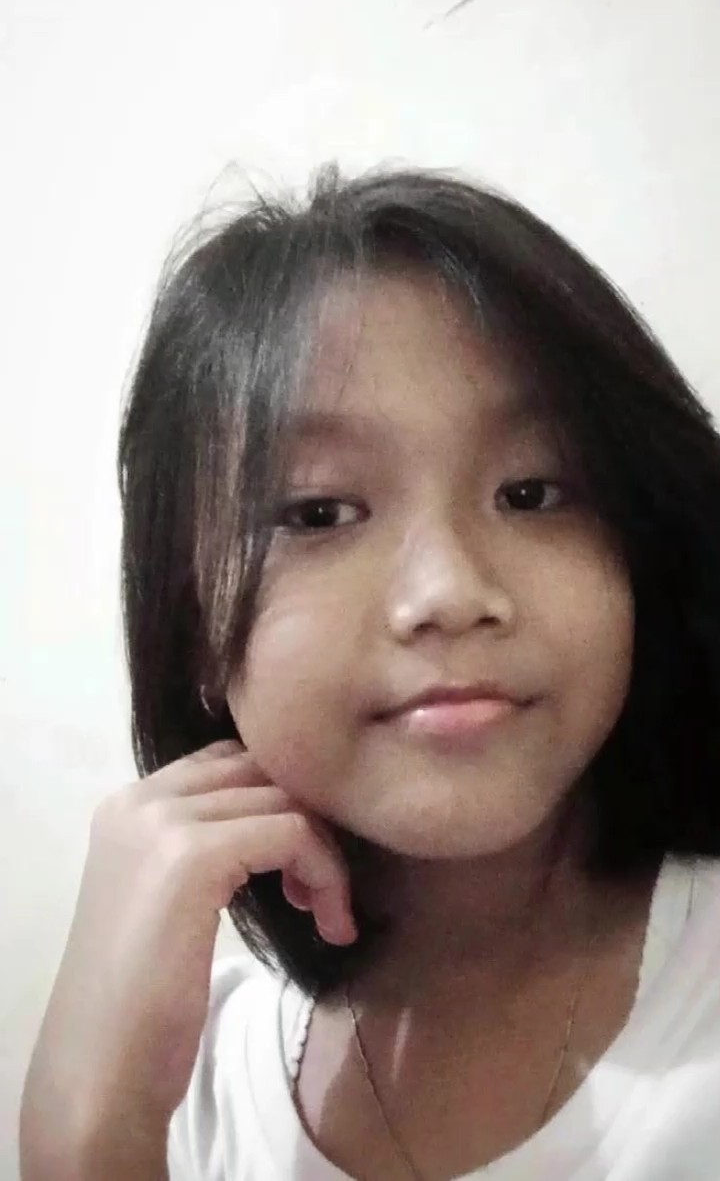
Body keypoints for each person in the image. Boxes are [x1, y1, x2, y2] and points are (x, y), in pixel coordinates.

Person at [20, 166, 720, 1181]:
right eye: (317, 513)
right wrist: (85, 1132)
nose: (449, 592)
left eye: (532, 492)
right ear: (196, 629)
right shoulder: (186, 1084)